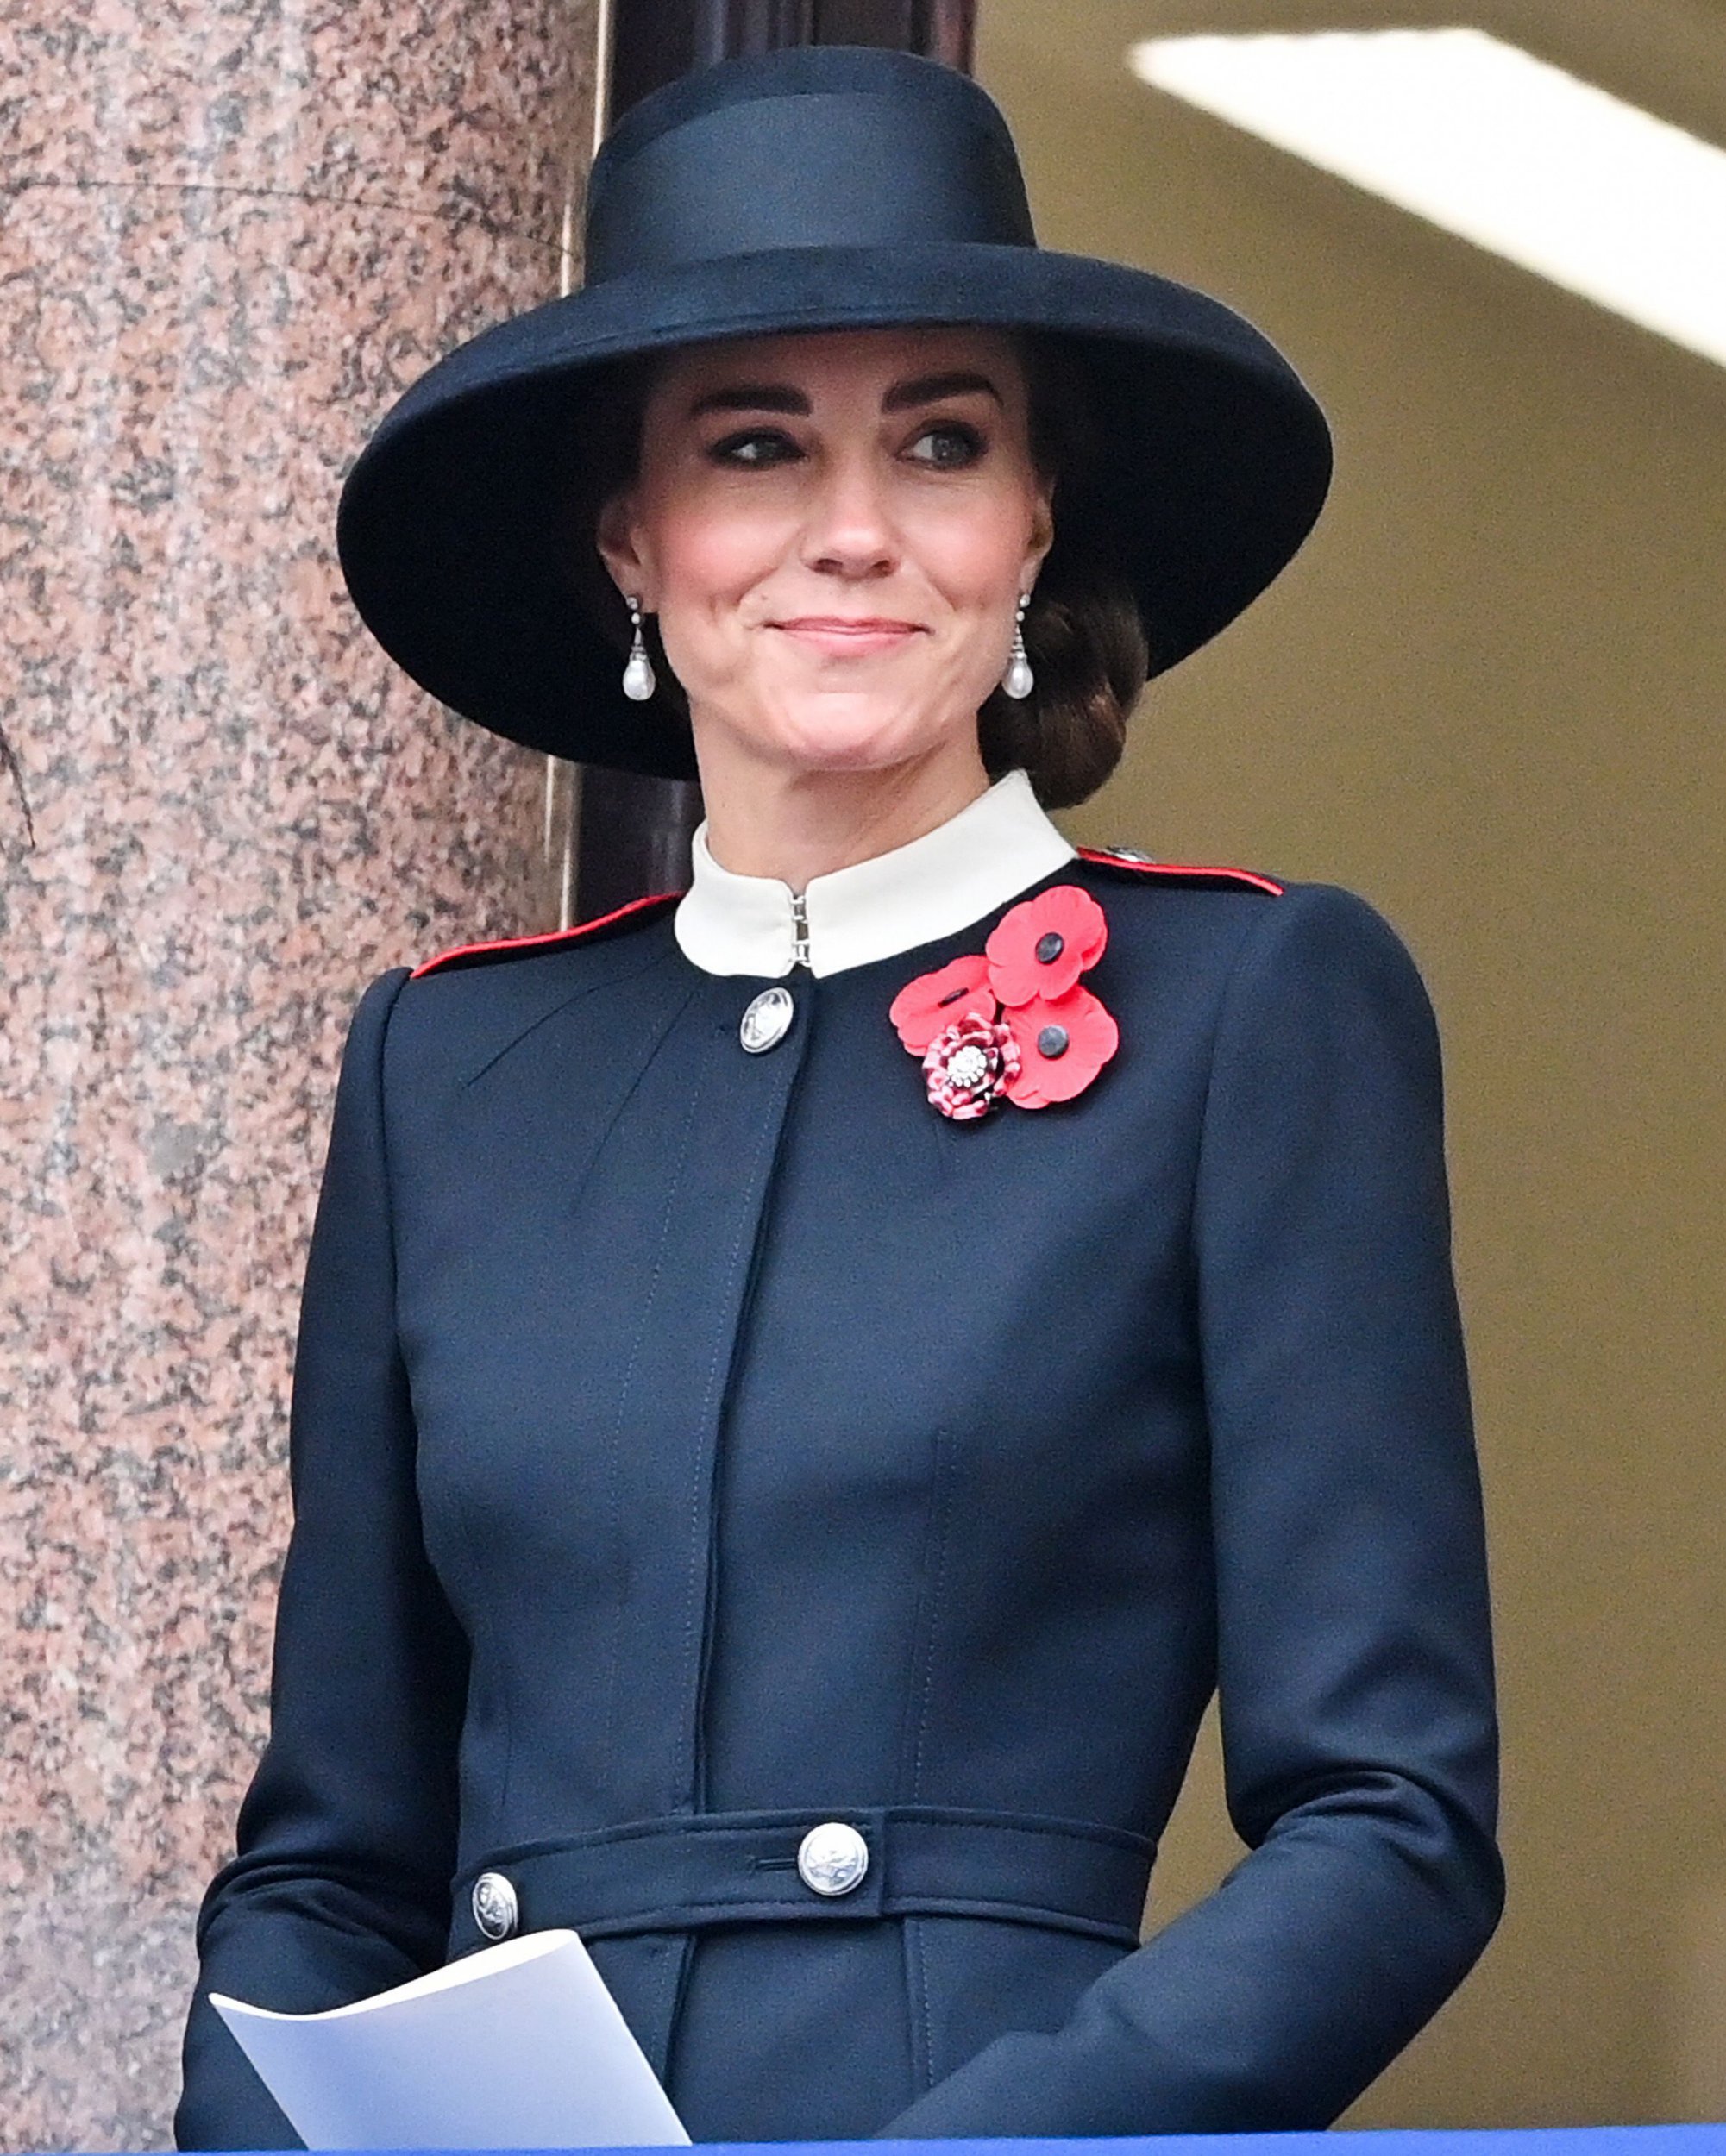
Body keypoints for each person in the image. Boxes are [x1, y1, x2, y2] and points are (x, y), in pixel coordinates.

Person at [176, 45, 1502, 2148]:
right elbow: (334, 1860)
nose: (855, 532)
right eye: (757, 446)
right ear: (631, 529)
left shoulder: (1253, 1002)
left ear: (1034, 517)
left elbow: (1389, 1817)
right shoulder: (447, 1065)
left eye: (942, 441)